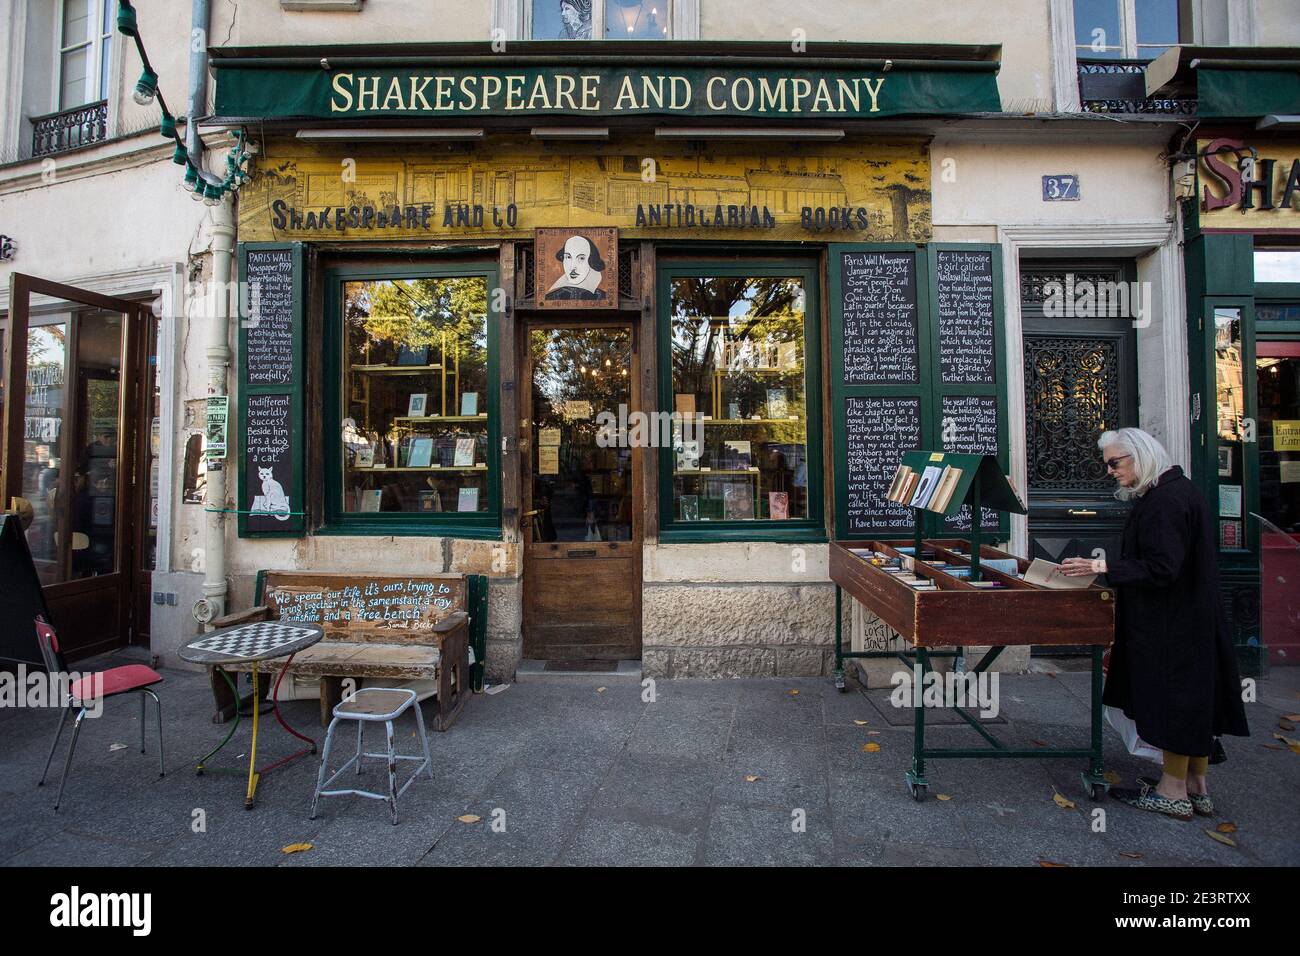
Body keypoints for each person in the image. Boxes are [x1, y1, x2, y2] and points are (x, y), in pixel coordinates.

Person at [1061, 428, 1249, 820]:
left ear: (1140, 455)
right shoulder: (1179, 492)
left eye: (1115, 463)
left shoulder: (1165, 501)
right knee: (1193, 701)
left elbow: (1163, 567)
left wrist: (1101, 566)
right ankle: (1197, 786)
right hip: (1190, 618)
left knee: (1174, 703)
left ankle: (1172, 791)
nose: (1110, 471)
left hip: (1170, 624)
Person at [545, 234, 608, 301]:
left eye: (581, 258)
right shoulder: (550, 297)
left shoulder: (603, 297)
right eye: (568, 257)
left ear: (591, 260)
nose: (572, 267)